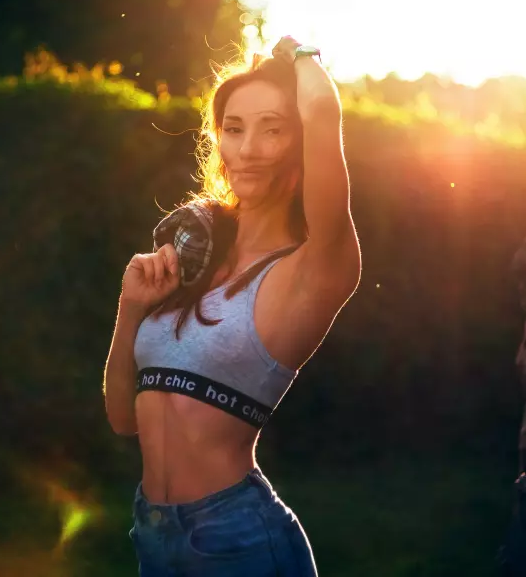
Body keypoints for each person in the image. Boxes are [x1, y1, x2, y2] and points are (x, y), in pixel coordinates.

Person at [102, 36, 361, 576]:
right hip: (153, 531)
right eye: (234, 128)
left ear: (300, 144)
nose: (246, 148)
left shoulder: (317, 265)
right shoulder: (195, 256)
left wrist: (300, 55)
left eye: (273, 129)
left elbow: (321, 109)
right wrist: (131, 311)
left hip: (238, 539)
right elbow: (124, 418)